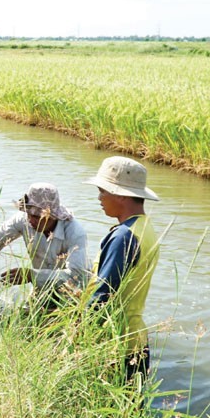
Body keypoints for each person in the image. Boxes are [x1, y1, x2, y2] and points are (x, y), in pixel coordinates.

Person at [83, 156, 160, 382]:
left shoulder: (123, 237)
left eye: (102, 191)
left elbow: (102, 297)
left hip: (116, 344)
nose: (99, 198)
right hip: (136, 340)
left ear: (121, 195)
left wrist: (78, 340)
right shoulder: (145, 228)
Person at [0, 183, 91, 307]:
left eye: (36, 216)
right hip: (41, 288)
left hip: (73, 294)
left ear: (52, 215)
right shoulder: (23, 220)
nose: (30, 220)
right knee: (25, 319)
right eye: (28, 213)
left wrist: (32, 275)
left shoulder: (74, 233)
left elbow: (75, 277)